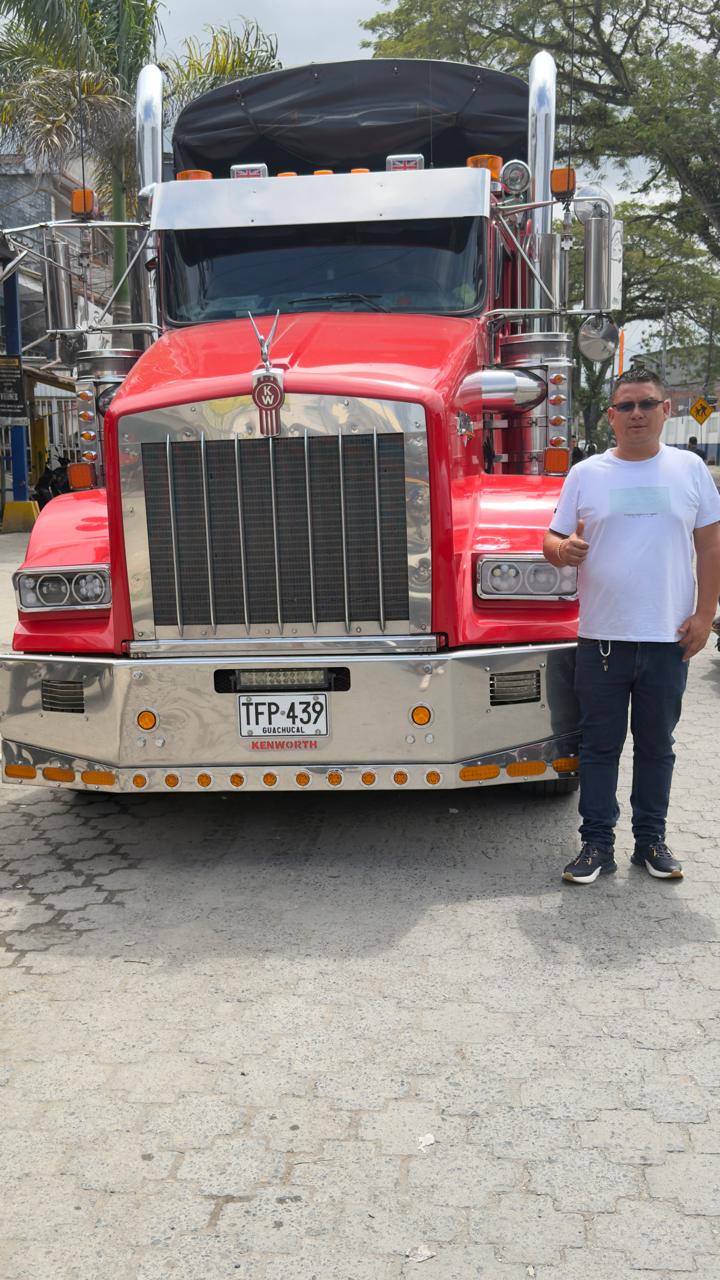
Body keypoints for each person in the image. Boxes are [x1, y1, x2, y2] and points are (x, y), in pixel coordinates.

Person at [543, 368, 720, 884]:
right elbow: (552, 541)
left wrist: (705, 615)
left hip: (668, 639)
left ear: (666, 410)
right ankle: (596, 844)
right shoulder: (587, 474)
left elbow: (709, 546)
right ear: (611, 416)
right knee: (600, 746)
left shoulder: (689, 470)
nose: (637, 413)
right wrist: (563, 551)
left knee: (656, 745)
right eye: (626, 406)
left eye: (647, 403)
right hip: (603, 637)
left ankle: (651, 841)